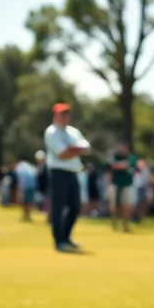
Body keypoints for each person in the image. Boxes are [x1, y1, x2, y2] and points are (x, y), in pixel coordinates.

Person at [43, 103, 90, 252]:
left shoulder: (73, 131)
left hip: (72, 172)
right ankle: (59, 241)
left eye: (66, 114)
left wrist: (72, 150)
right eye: (61, 114)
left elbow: (86, 147)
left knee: (75, 206)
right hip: (58, 172)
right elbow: (61, 154)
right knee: (58, 207)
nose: (64, 117)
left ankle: (66, 236)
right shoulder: (51, 132)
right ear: (55, 116)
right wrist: (76, 150)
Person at [107, 142, 137, 232]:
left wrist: (119, 165)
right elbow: (112, 166)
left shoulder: (131, 158)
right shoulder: (114, 157)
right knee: (115, 206)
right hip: (116, 184)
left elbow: (126, 166)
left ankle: (126, 225)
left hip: (127, 184)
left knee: (127, 205)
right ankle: (114, 223)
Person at [13, 155, 37, 222]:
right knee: (30, 201)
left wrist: (18, 190)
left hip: (26, 186)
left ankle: (25, 215)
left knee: (25, 201)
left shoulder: (19, 167)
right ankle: (28, 215)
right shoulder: (28, 165)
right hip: (33, 185)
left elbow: (19, 179)